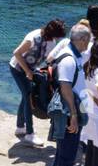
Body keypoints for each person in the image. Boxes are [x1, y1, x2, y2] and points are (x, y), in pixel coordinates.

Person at [47, 23, 91, 166]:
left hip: (72, 111)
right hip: (67, 113)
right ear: (80, 39)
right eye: (87, 40)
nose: (88, 43)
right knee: (67, 157)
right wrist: (73, 115)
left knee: (61, 154)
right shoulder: (69, 59)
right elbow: (65, 88)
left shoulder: (76, 57)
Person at [8, 18, 66, 147]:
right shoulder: (33, 37)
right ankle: (29, 133)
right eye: (57, 36)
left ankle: (20, 127)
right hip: (17, 69)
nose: (57, 39)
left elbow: (50, 58)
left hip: (30, 70)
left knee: (25, 96)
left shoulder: (51, 41)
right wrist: (28, 71)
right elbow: (16, 53)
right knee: (28, 96)